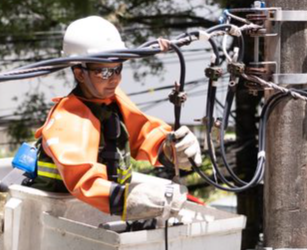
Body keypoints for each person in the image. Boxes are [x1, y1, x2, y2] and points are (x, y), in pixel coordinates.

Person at [31, 16, 202, 219]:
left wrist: (171, 148)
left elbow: (142, 134)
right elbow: (84, 181)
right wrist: (130, 199)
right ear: (79, 73)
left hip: (101, 214)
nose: (114, 79)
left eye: (118, 69)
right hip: (62, 216)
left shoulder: (112, 99)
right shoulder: (69, 117)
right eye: (103, 72)